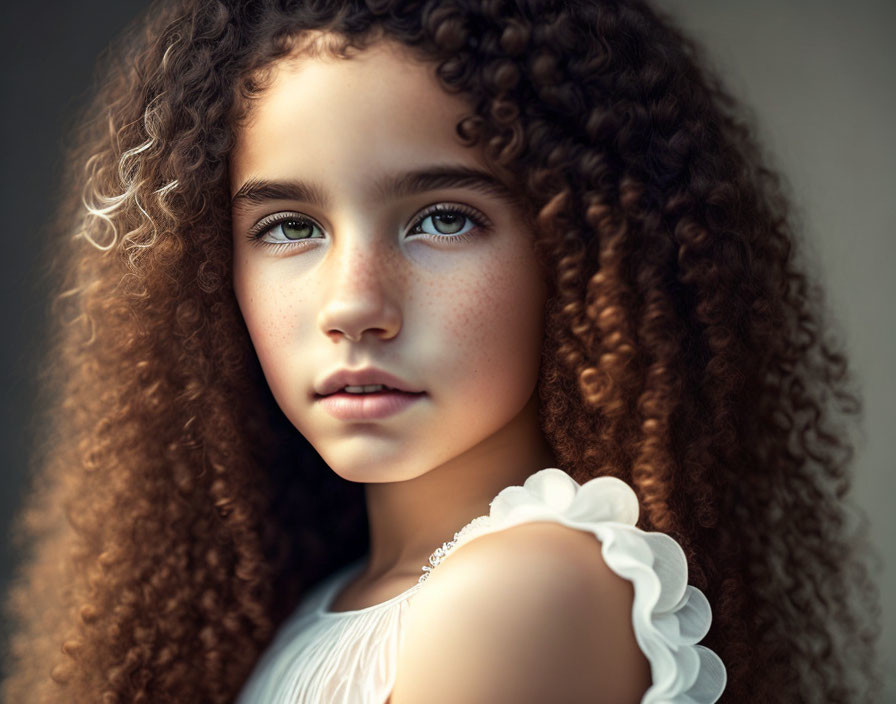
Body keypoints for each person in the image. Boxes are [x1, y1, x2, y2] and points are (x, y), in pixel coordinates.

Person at [1, 0, 880, 702]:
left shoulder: (524, 591)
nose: (354, 305)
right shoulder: (337, 592)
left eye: (443, 218)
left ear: (588, 252)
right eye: (289, 226)